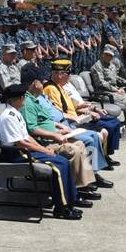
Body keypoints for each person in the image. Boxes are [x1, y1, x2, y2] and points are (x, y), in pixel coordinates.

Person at [0, 83, 82, 220]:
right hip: (16, 153)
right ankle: (61, 208)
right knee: (57, 167)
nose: (25, 100)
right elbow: (21, 143)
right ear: (20, 98)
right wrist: (44, 151)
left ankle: (70, 200)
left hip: (23, 150)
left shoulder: (15, 113)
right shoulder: (8, 117)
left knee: (63, 161)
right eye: (23, 97)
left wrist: (44, 149)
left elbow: (27, 136)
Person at [19, 69, 100, 203]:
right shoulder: (28, 103)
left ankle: (82, 186)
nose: (44, 83)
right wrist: (55, 135)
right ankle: (74, 191)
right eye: (41, 81)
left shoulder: (35, 99)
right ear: (35, 83)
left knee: (80, 144)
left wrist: (58, 126)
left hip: (54, 136)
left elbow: (45, 119)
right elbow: (32, 129)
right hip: (44, 142)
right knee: (73, 150)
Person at [90, 46, 126, 136]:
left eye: (110, 55)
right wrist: (116, 90)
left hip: (114, 91)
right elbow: (101, 83)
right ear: (102, 54)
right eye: (106, 54)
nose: (108, 57)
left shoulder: (111, 65)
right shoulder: (97, 66)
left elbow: (115, 78)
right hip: (104, 93)